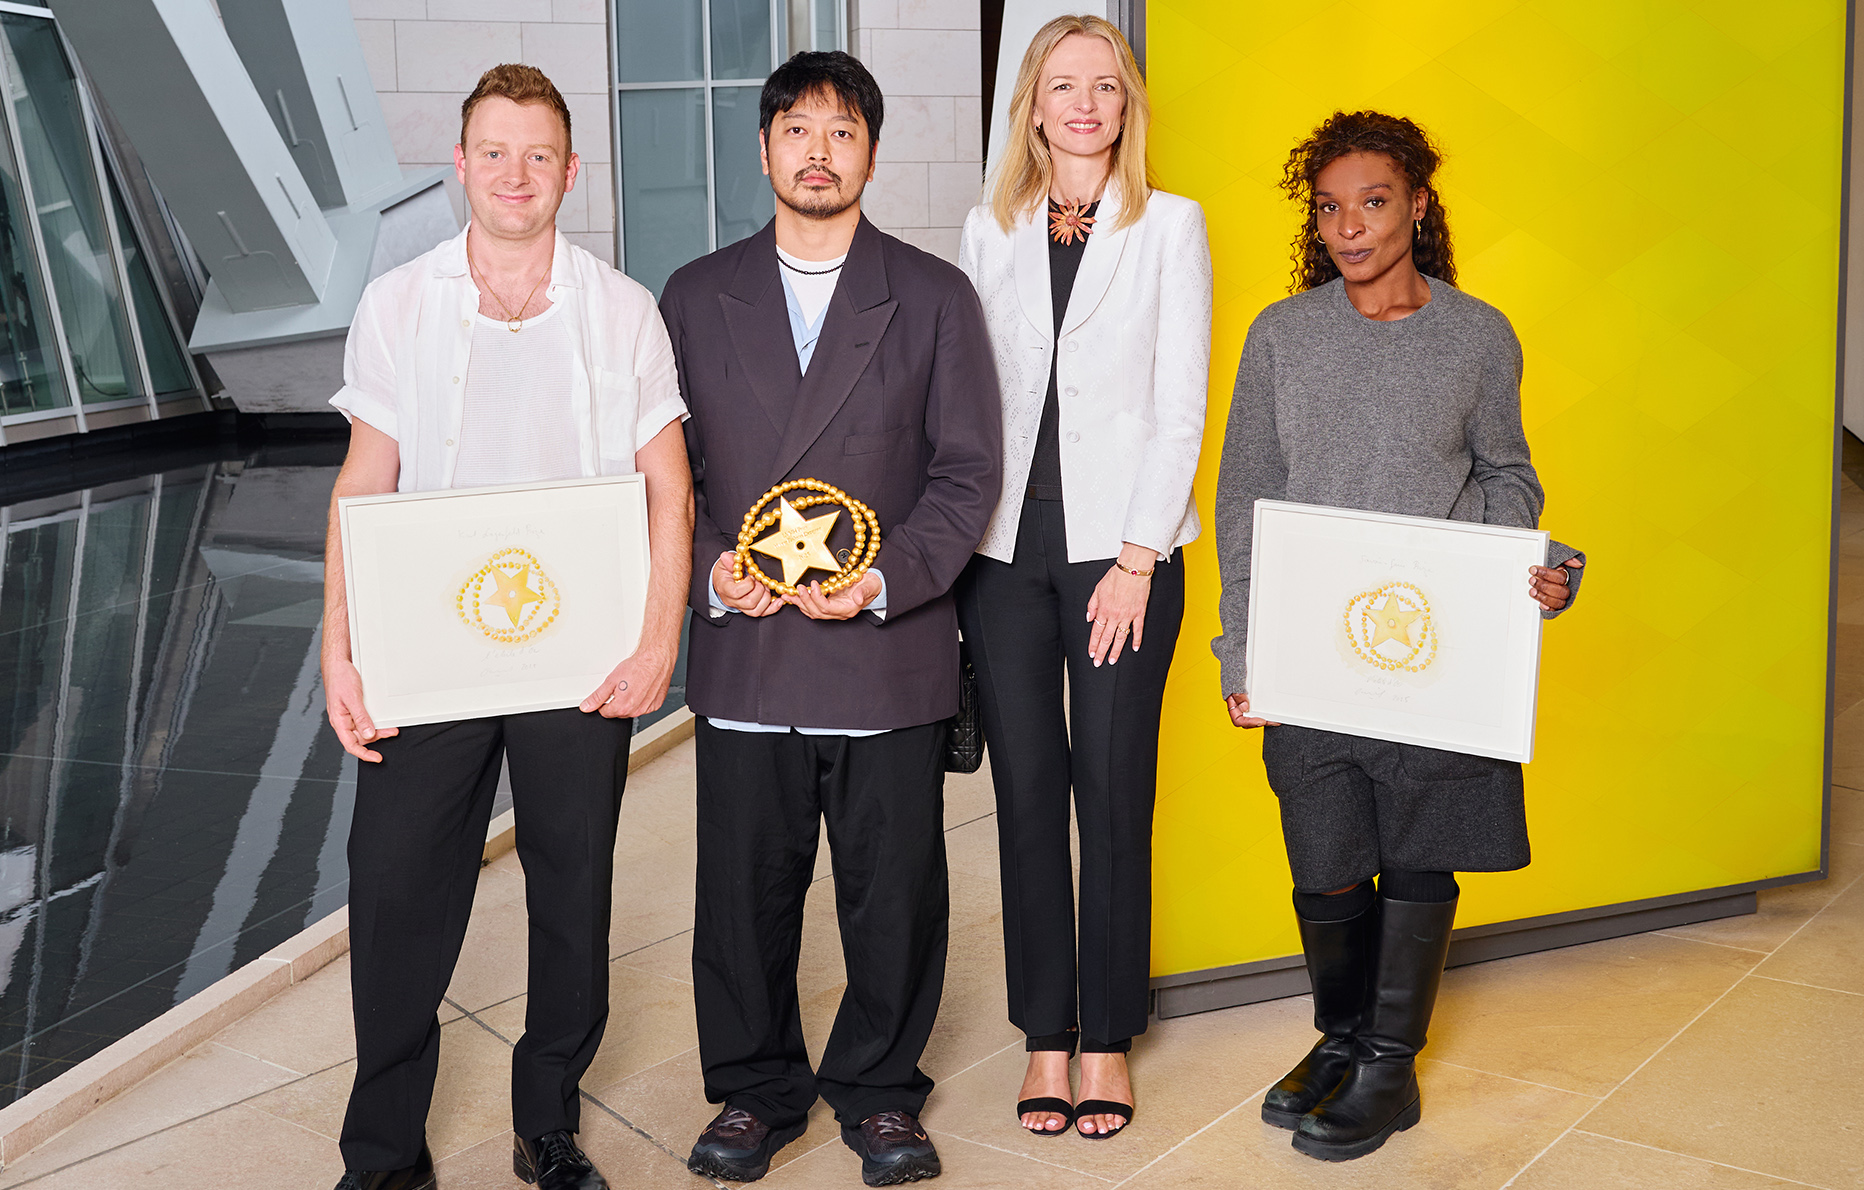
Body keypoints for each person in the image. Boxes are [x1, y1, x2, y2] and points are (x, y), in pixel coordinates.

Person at [319, 64, 693, 1190]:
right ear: (462, 166)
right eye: (495, 152)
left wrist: (656, 640)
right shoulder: (400, 303)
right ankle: (384, 1156)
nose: (516, 174)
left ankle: (548, 1125)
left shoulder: (622, 309)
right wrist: (339, 644)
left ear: (570, 172)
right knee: (393, 897)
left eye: (539, 155)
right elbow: (359, 480)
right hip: (426, 655)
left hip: (578, 657)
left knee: (571, 893)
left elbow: (668, 491)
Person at [1213, 110, 1585, 1163]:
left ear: (1416, 203)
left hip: (1440, 647)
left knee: (1420, 848)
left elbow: (1509, 474)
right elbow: (1246, 496)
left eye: (1371, 201)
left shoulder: (1477, 335)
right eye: (1329, 207)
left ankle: (1387, 1060)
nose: (1349, 226)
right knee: (1325, 854)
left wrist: (1489, 558)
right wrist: (1241, 649)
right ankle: (1339, 1037)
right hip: (1306, 647)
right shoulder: (1282, 335)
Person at [661, 52, 1001, 1187]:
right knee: (741, 890)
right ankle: (756, 1088)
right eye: (796, 129)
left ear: (870, 152)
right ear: (761, 150)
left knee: (894, 888)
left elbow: (966, 474)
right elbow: (669, 475)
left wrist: (884, 579)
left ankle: (879, 1088)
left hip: (885, 647)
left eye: (842, 130)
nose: (818, 150)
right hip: (749, 647)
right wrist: (713, 572)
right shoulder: (696, 295)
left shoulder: (934, 294)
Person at [955, 15, 1209, 1142]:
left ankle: (1103, 1033)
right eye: (1064, 86)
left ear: (1127, 103)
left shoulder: (1171, 226)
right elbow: (969, 397)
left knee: (1112, 788)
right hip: (1005, 557)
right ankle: (1042, 1035)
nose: (1086, 105)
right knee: (1024, 795)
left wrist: (1137, 559)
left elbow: (1181, 403)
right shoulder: (989, 224)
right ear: (1034, 105)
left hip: (1125, 556)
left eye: (1105, 85)